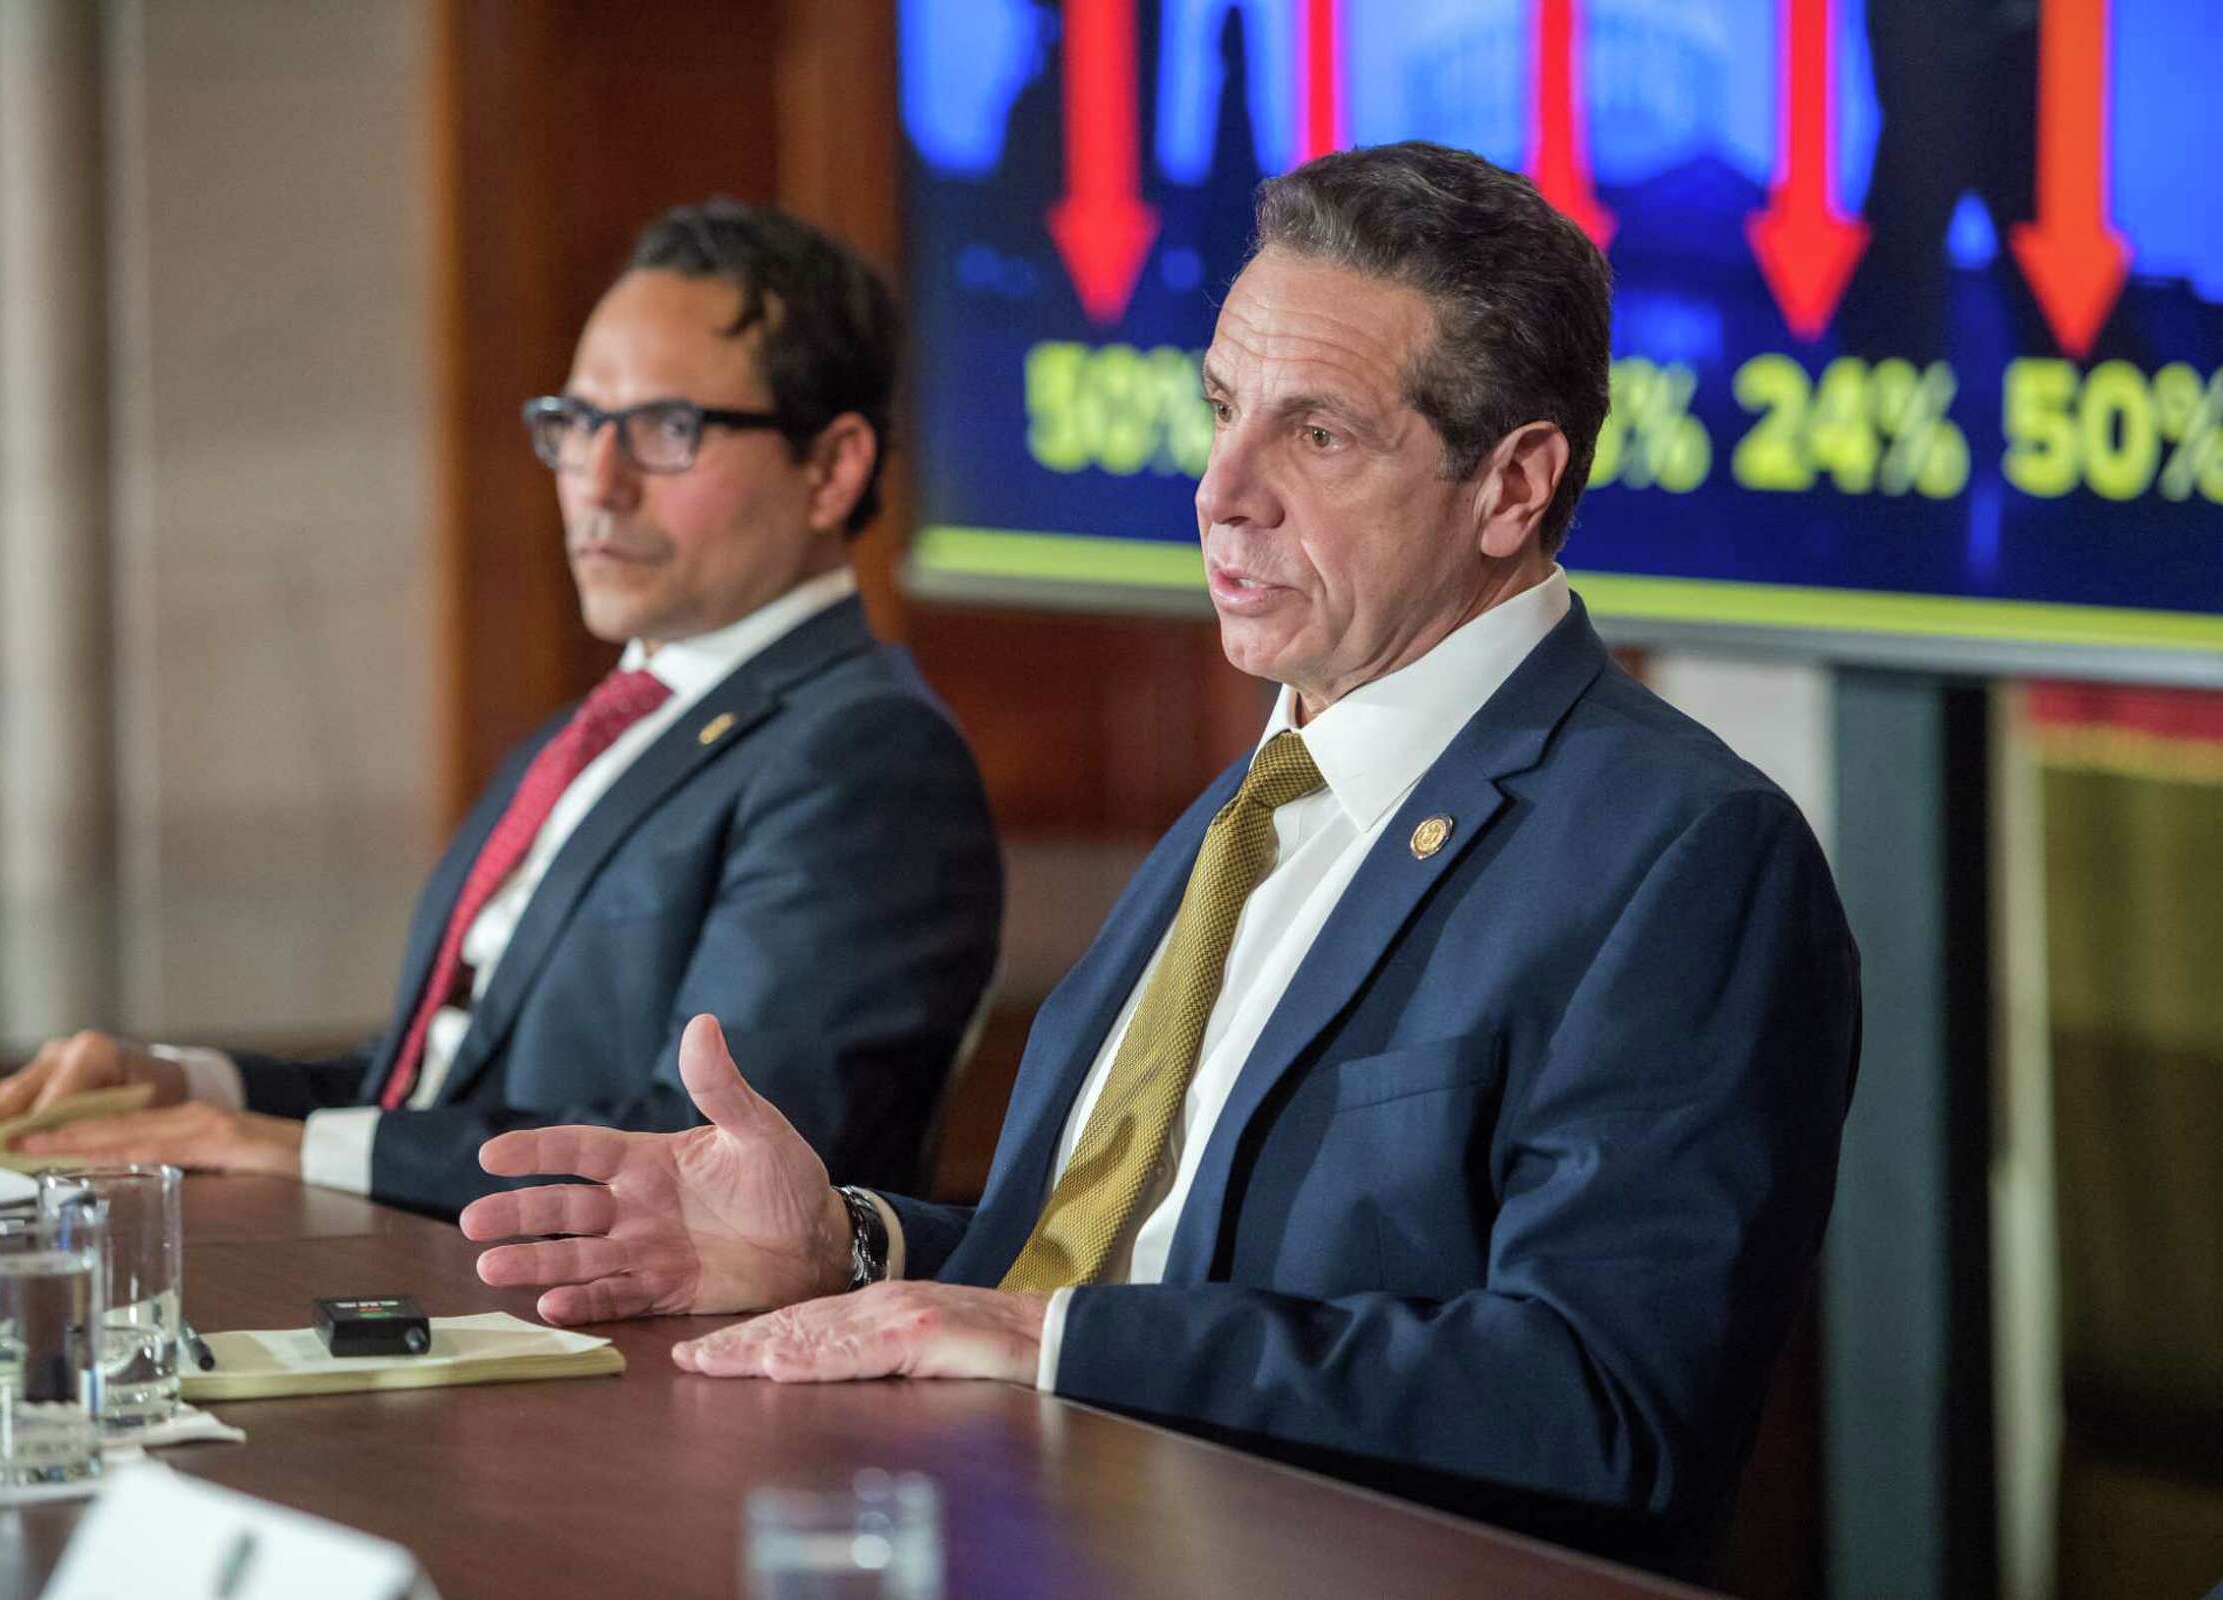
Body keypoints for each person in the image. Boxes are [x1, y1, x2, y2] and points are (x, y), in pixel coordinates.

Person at [458, 144, 1860, 1574]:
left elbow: (1600, 1403)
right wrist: (854, 1246)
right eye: (1221, 411)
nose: (1220, 491)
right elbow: (1112, 1257)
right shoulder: (1263, 795)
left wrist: (1047, 1341)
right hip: (1019, 1517)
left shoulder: (1683, 856)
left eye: (1316, 435)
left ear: (1513, 484)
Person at [0, 201, 1004, 1220]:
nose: (598, 478)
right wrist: (179, 1084)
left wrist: (290, 1148)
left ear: (830, 468)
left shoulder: (866, 752)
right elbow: (424, 1086)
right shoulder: (598, 729)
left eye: (667, 427)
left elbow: (720, 1159)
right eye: (579, 421)